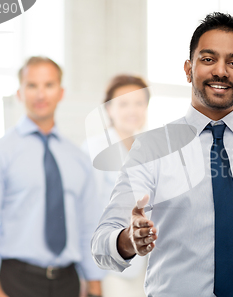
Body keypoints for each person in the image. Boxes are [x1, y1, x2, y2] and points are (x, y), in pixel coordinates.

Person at [91, 12, 233, 297]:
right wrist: (128, 240)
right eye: (208, 59)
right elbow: (102, 243)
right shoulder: (152, 148)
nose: (221, 71)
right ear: (188, 69)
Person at [0, 56, 104, 297]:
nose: (41, 94)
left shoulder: (78, 159)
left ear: (61, 92)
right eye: (32, 85)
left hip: (69, 282)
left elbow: (88, 225)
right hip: (15, 281)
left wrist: (94, 283)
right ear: (20, 92)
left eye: (49, 85)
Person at [82, 75, 150, 297]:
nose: (133, 110)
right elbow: (86, 216)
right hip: (108, 268)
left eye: (139, 103)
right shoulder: (94, 150)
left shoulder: (148, 150)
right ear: (109, 109)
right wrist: (91, 277)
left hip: (145, 266)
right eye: (124, 103)